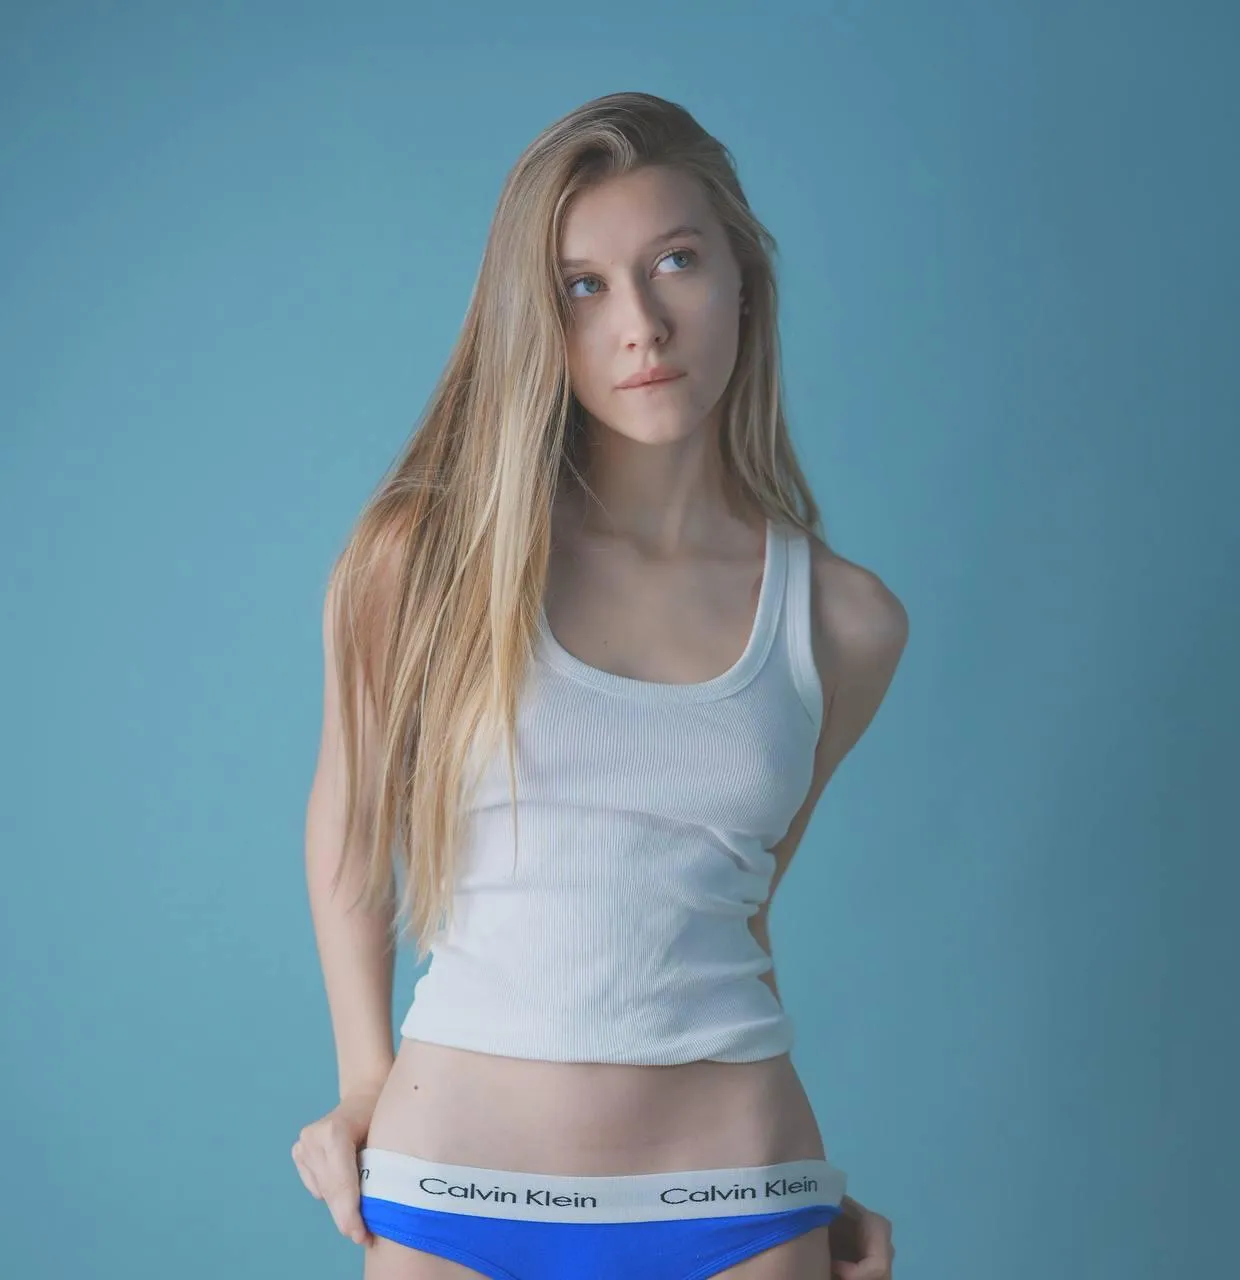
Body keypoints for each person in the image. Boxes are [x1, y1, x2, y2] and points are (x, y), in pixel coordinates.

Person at [291, 91, 906, 1280]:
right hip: (454, 1191)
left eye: (675, 261)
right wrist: (364, 1078)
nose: (642, 324)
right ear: (537, 318)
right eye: (583, 285)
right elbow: (353, 823)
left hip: (741, 1198)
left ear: (743, 280)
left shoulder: (844, 621)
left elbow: (723, 906)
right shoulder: (419, 562)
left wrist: (806, 1192)